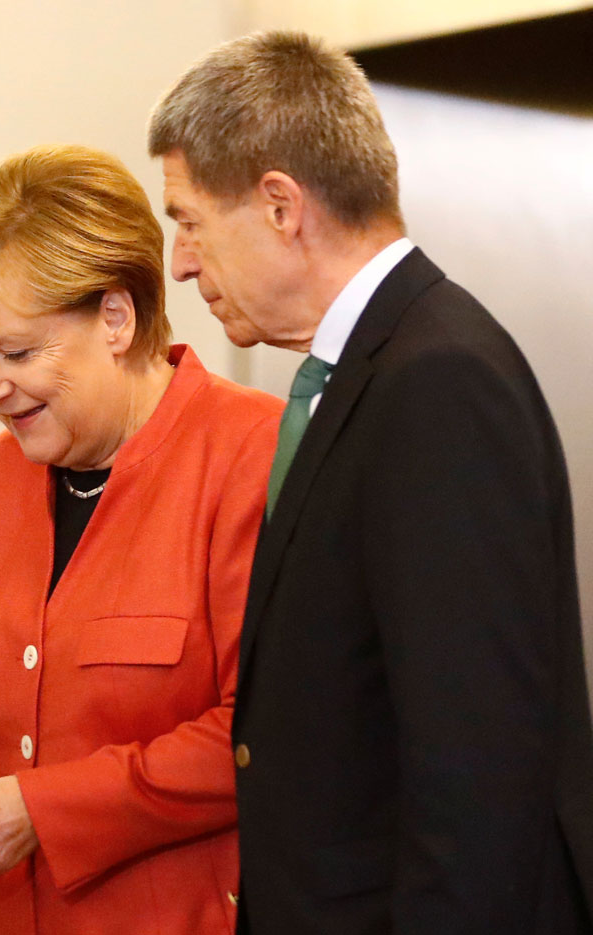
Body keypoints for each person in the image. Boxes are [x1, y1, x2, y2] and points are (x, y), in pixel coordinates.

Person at [148, 31, 593, 935]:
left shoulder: (437, 381)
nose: (182, 262)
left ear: (280, 205)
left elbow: (476, 772)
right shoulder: (370, 370)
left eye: (189, 220)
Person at [0, 145, 282, 934]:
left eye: (15, 353)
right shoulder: (1, 479)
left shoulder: (253, 454)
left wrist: (42, 812)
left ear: (116, 317)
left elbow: (258, 734)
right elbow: (20, 734)